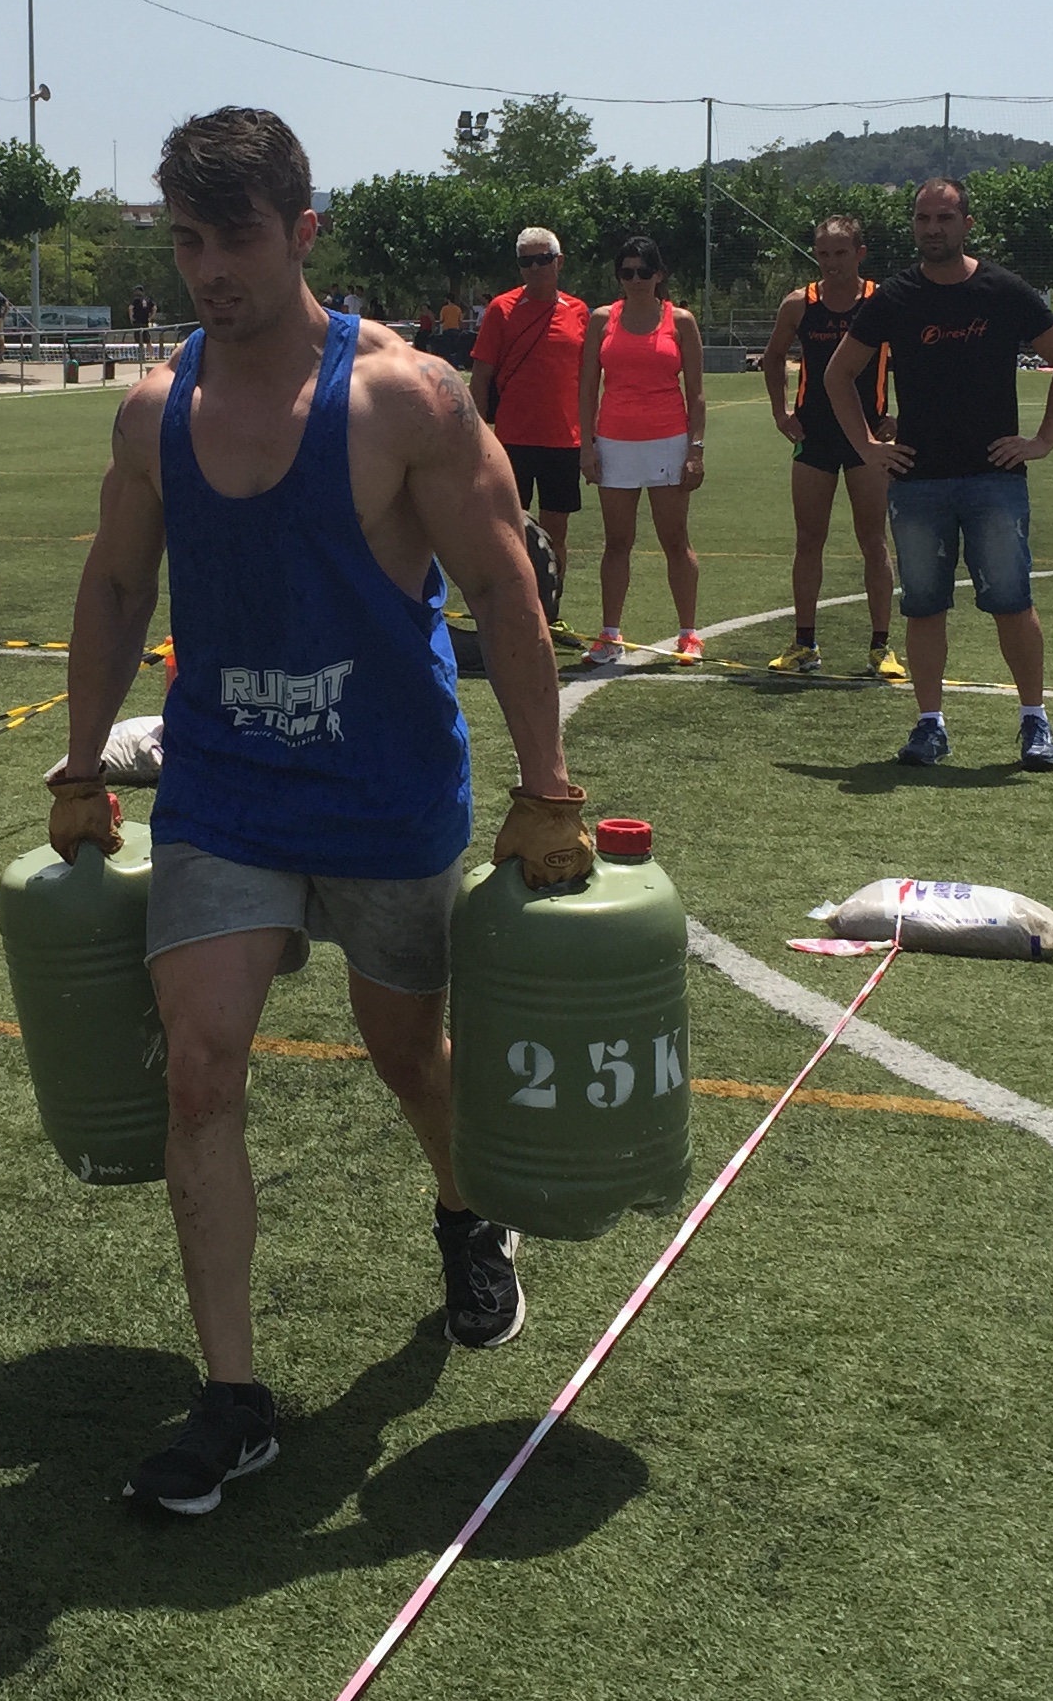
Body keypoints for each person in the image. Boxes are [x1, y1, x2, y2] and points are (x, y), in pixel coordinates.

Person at [48, 107, 589, 1518]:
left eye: (236, 238)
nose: (209, 270)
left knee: (408, 1055)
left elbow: (504, 591)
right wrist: (81, 765)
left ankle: (466, 1214)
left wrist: (547, 788)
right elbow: (117, 584)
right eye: (188, 241)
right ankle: (233, 1401)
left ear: (302, 232)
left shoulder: (405, 401)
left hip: (386, 788)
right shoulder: (153, 413)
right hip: (225, 789)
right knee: (200, 1066)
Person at [825, 178, 1053, 772]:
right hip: (918, 482)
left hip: (994, 479)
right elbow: (838, 375)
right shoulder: (896, 297)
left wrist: (1042, 441)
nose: (932, 228)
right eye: (923, 218)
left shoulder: (1003, 289)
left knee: (1012, 602)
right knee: (923, 607)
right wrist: (866, 446)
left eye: (944, 218)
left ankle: (1034, 720)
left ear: (967, 224)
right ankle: (930, 725)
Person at [762, 216, 901, 680]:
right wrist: (782, 413)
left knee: (873, 541)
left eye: (840, 253)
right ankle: (804, 643)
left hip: (867, 439)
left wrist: (902, 419)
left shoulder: (881, 301)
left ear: (860, 253)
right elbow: (774, 357)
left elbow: (916, 361)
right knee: (808, 540)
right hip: (815, 436)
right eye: (823, 253)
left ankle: (881, 647)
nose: (831, 262)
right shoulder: (799, 304)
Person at [573, 233, 707, 668]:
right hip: (614, 442)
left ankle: (688, 634)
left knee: (675, 540)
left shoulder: (680, 321)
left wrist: (695, 450)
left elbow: (696, 393)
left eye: (644, 271)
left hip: (669, 440)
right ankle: (610, 635)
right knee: (617, 542)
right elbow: (587, 387)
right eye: (627, 272)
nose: (635, 280)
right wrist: (587, 446)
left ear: (659, 274)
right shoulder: (602, 319)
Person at [467, 226, 588, 610]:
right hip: (511, 440)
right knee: (507, 531)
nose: (535, 268)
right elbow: (481, 376)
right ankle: (510, 612)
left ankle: (550, 611)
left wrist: (592, 435)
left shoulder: (579, 312)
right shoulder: (501, 309)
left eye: (543, 260)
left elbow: (588, 379)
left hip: (564, 439)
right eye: (526, 262)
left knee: (556, 532)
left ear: (559, 262)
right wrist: (477, 434)